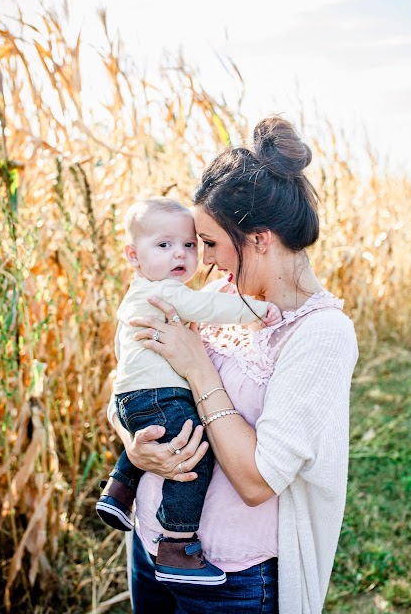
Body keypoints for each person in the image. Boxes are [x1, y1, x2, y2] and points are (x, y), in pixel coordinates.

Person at [107, 117, 358, 614]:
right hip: (150, 549)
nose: (206, 260)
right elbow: (130, 377)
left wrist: (198, 368)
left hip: (230, 582)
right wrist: (133, 442)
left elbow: (255, 481)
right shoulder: (221, 296)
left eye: (212, 244)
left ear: (260, 240)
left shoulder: (319, 335)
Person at [97, 197, 281, 585]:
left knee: (159, 438)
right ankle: (178, 545)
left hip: (134, 394)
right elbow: (209, 307)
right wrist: (257, 311)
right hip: (160, 394)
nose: (180, 254)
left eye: (190, 245)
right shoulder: (166, 293)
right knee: (191, 456)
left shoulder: (137, 296)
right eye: (163, 246)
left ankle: (117, 492)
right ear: (133, 255)